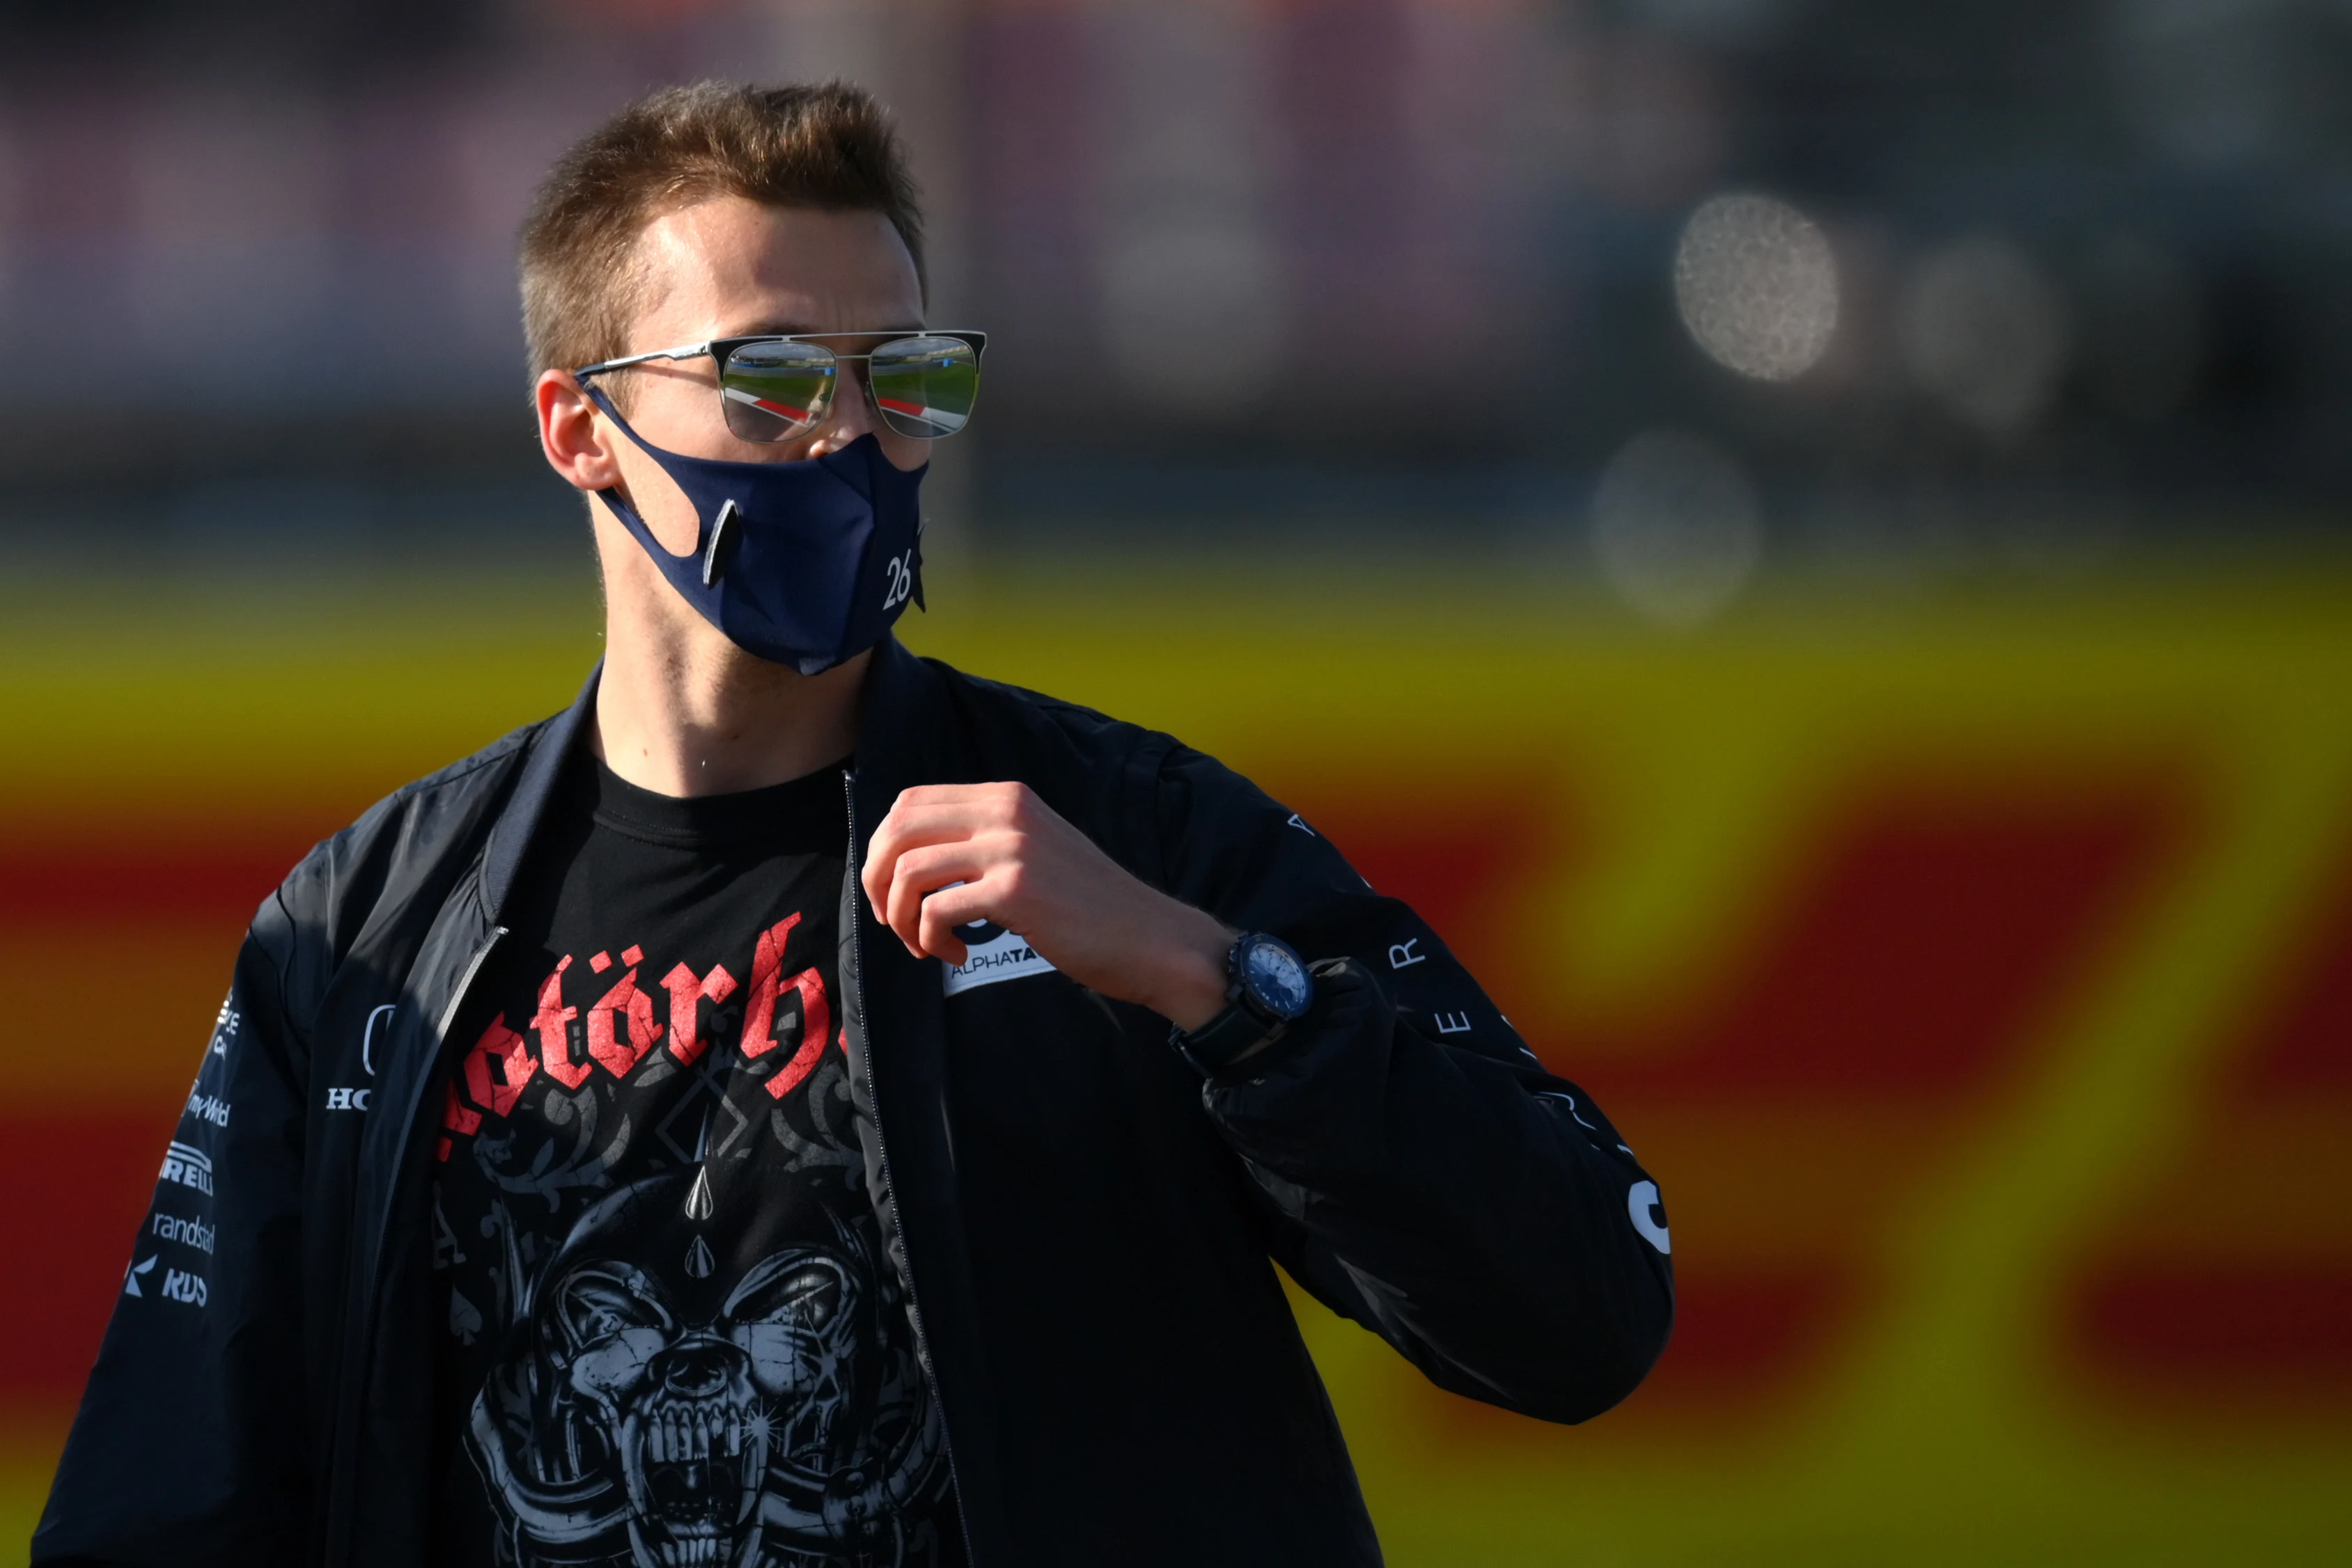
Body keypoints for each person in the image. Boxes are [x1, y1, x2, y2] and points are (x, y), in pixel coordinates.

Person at [34, 80, 1674, 1568]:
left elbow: (1584, 1310)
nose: (847, 437)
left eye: (903, 377)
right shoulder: (371, 930)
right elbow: (168, 1491)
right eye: (767, 378)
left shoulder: (1136, 841)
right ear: (578, 427)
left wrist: (1217, 986)